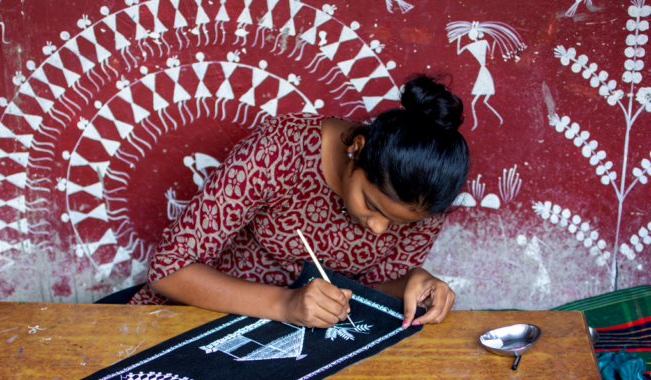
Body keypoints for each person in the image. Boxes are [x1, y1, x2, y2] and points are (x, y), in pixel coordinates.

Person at [127, 74, 470, 330]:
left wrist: (413, 283)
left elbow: (362, 295)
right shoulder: (279, 152)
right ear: (357, 148)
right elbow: (169, 270)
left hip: (296, 342)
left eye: (399, 223)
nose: (380, 229)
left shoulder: (424, 202)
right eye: (373, 205)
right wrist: (285, 303)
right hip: (189, 321)